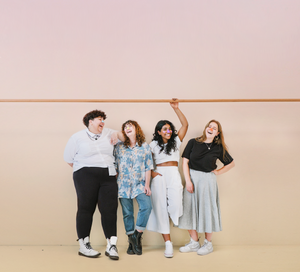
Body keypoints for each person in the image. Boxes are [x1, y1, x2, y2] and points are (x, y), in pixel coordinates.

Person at [64, 109, 124, 260]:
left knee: (109, 209)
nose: (103, 122)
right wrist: (86, 169)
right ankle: (84, 245)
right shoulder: (77, 137)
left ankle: (111, 245)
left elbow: (126, 137)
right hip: (85, 174)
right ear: (90, 121)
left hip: (108, 175)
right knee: (85, 208)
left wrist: (117, 133)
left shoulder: (110, 132)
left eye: (104, 119)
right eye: (99, 119)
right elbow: (69, 158)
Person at [178, 120, 235, 255]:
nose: (210, 128)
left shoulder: (218, 147)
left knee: (207, 211)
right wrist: (188, 180)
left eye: (214, 128)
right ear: (206, 128)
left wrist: (218, 172)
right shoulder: (193, 142)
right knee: (188, 210)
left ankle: (208, 244)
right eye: (209, 126)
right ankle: (194, 242)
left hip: (208, 181)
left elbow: (231, 163)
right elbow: (185, 162)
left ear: (217, 133)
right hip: (192, 178)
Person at [147, 100, 188, 258]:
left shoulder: (176, 142)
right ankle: (168, 243)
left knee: (175, 204)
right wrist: (152, 173)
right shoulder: (152, 145)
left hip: (173, 174)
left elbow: (185, 125)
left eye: (170, 129)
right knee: (160, 208)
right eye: (165, 129)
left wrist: (176, 109)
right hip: (159, 175)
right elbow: (145, 163)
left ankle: (174, 222)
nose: (168, 131)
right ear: (158, 132)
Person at [114, 120, 153, 255]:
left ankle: (137, 236)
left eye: (130, 125)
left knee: (146, 206)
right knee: (127, 214)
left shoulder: (145, 146)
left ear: (137, 129)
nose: (127, 127)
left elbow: (148, 166)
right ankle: (131, 241)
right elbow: (115, 167)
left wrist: (147, 185)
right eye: (125, 126)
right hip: (123, 185)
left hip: (139, 184)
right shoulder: (119, 147)